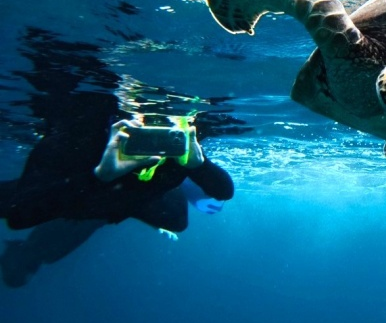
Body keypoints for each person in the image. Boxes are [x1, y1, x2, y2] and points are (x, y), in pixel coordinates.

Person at [0, 28, 234, 287]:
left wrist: (199, 165)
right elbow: (18, 215)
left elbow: (224, 190)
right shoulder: (81, 133)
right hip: (81, 192)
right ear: (117, 121)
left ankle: (109, 207)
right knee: (26, 203)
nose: (151, 132)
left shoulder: (179, 137)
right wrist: (100, 175)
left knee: (177, 221)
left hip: (127, 201)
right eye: (138, 125)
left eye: (162, 125)